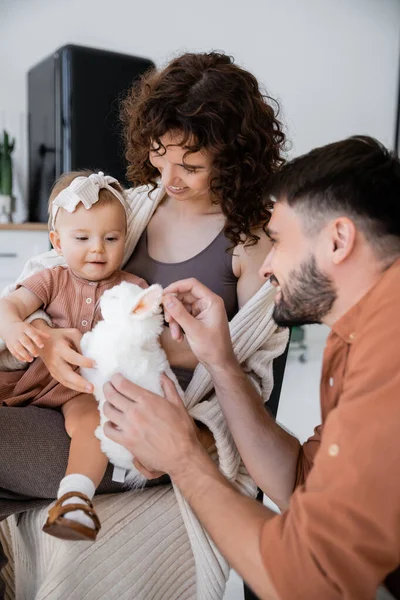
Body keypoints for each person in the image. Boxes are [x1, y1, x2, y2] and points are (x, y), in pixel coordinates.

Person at [0, 52, 287, 599]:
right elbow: (41, 281)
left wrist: (189, 370)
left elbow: (253, 381)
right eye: (160, 155)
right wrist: (50, 336)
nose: (169, 177)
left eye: (192, 165)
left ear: (233, 157)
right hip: (60, 392)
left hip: (136, 430)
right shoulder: (132, 206)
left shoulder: (251, 245)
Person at [101, 136, 400, 600]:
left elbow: (311, 578)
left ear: (339, 240)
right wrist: (220, 361)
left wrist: (182, 457)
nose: (266, 268)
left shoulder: (390, 348)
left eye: (278, 241)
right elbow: (299, 482)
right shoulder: (352, 334)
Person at [0, 169, 149, 541]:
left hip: (80, 387)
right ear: (58, 241)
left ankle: (75, 499)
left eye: (111, 238)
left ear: (124, 239)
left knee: (92, 425)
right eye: (82, 238)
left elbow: (144, 335)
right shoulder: (51, 278)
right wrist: (15, 327)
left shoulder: (132, 287)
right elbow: (9, 306)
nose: (97, 248)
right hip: (27, 377)